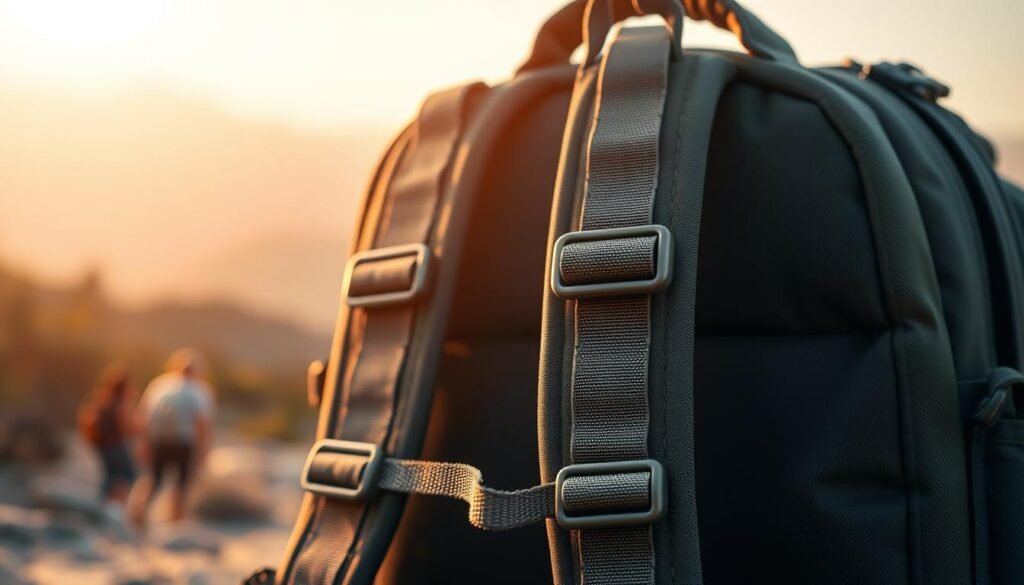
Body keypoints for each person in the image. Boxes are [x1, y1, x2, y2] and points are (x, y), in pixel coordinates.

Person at [129, 348, 215, 527]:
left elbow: (144, 416)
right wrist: (204, 450)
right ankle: (176, 522)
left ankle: (138, 517)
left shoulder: (159, 385)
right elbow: (202, 424)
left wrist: (143, 443)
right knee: (181, 485)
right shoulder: (199, 390)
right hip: (184, 442)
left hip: (159, 441)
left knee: (154, 480)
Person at [78, 362, 138, 506]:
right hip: (116, 444)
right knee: (127, 476)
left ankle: (104, 506)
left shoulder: (101, 398)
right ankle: (115, 508)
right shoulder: (120, 403)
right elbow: (125, 425)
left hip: (102, 445)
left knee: (110, 476)